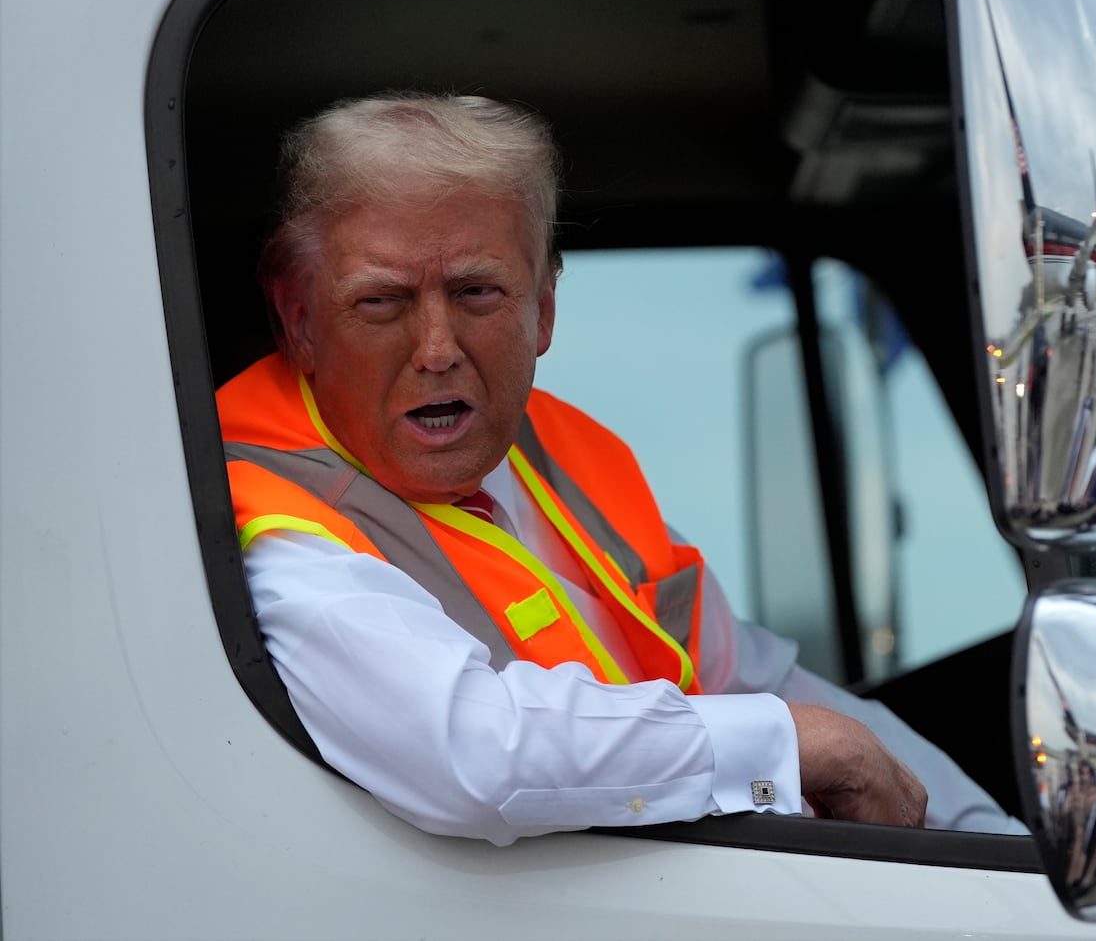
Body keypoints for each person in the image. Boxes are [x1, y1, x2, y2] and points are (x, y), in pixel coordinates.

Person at [217, 92, 1023, 846]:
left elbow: (751, 674)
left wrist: (995, 850)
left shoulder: (560, 459)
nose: (436, 349)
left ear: (545, 311)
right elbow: (475, 756)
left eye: (477, 291)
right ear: (299, 320)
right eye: (382, 302)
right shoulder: (269, 520)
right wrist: (783, 746)